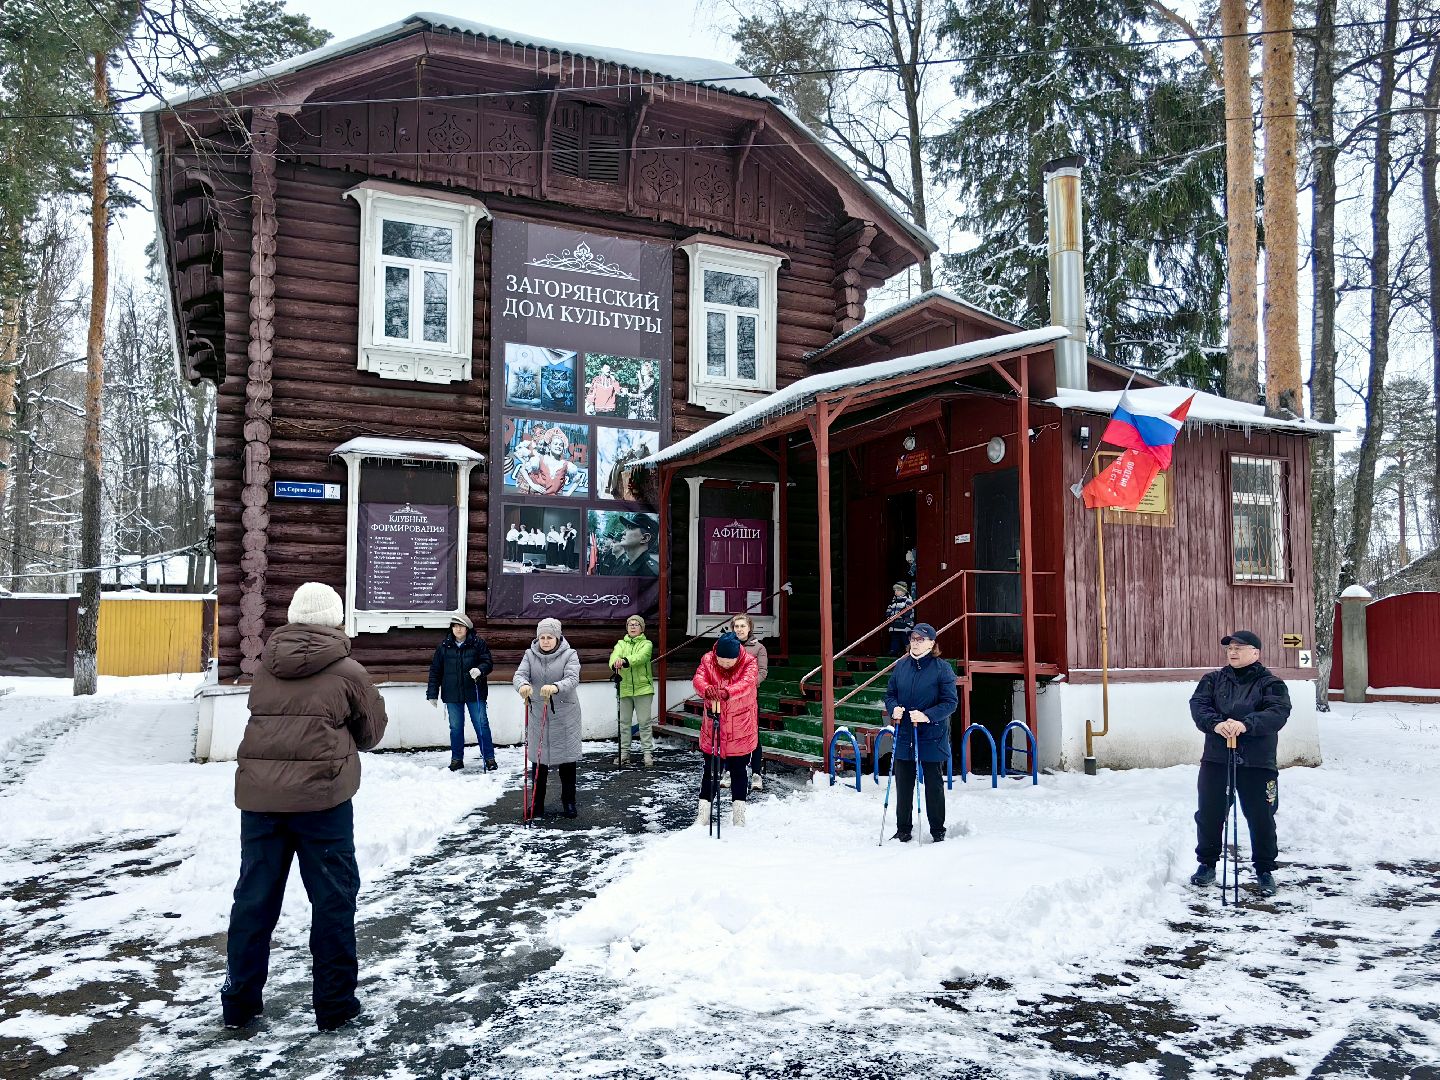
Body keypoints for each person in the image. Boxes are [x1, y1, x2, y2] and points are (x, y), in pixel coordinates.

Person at [221, 581, 388, 1032]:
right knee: (333, 902)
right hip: (323, 802)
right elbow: (372, 733)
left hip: (261, 800)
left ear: (294, 617)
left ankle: (239, 1003)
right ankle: (334, 1005)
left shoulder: (265, 667)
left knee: (254, 900)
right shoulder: (348, 671)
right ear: (335, 620)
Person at [1188, 630, 1291, 897]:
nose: (1232, 652)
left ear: (1255, 653)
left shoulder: (1271, 683)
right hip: (1217, 759)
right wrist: (1216, 724)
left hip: (1257, 762)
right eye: (1230, 648)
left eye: (1239, 648)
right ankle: (1207, 864)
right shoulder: (1212, 680)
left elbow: (1277, 713)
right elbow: (1199, 706)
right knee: (1209, 813)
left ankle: (1265, 870)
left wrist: (1246, 724)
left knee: (1261, 816)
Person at [883, 622, 958, 843]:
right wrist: (893, 708)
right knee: (903, 783)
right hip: (905, 733)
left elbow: (950, 702)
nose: (915, 643)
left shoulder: (942, 668)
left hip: (931, 734)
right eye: (913, 639)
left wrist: (927, 715)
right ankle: (903, 829)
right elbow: (890, 694)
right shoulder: (901, 666)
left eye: (920, 639)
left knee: (933, 784)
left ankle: (937, 830)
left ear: (931, 643)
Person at [514, 617, 583, 819]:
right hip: (539, 714)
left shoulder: (570, 654)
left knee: (567, 762)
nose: (545, 641)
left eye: (549, 637)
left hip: (565, 715)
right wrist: (522, 686)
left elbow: (572, 678)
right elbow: (519, 675)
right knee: (539, 762)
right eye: (542, 637)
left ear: (557, 638)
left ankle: (569, 802)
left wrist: (556, 687)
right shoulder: (529, 655)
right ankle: (537, 804)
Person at [693, 631, 760, 828]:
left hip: (740, 727)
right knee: (710, 771)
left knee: (739, 771)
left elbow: (746, 684)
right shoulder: (708, 660)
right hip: (713, 726)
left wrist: (726, 692)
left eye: (729, 662)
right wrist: (706, 689)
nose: (724, 665)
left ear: (737, 656)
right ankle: (703, 814)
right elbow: (698, 679)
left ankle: (739, 815)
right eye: (721, 661)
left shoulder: (749, 662)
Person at [426, 614, 496, 772]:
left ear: (467, 628)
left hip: (474, 692)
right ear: (451, 628)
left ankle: (489, 758)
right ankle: (457, 760)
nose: (458, 629)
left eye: (461, 626)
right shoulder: (444, 646)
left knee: (481, 725)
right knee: (456, 728)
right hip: (452, 694)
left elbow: (488, 662)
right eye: (455, 626)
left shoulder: (478, 643)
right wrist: (432, 693)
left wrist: (480, 670)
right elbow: (435, 671)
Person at [609, 614, 656, 766]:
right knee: (624, 723)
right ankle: (624, 754)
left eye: (636, 624)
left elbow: (641, 657)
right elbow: (613, 658)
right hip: (625, 688)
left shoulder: (647, 644)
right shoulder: (620, 644)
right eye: (630, 624)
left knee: (644, 723)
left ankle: (647, 754)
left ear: (642, 628)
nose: (633, 627)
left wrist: (625, 660)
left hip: (643, 689)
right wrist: (615, 663)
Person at [731, 613, 769, 791]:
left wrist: (746, 686)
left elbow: (762, 672)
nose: (739, 629)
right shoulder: (728, 645)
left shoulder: (758, 648)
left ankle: (756, 773)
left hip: (749, 698)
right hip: (730, 698)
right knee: (730, 734)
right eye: (736, 626)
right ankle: (729, 771)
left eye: (742, 626)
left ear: (749, 628)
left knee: (753, 734)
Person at [885, 581, 915, 657]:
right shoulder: (893, 601)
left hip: (904, 624)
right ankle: (894, 650)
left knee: (905, 638)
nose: (896, 592)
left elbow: (908, 611)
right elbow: (889, 610)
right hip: (894, 625)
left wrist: (899, 616)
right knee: (895, 638)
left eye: (898, 590)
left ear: (903, 591)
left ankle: (909, 651)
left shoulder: (908, 601)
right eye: (895, 590)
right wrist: (889, 616)